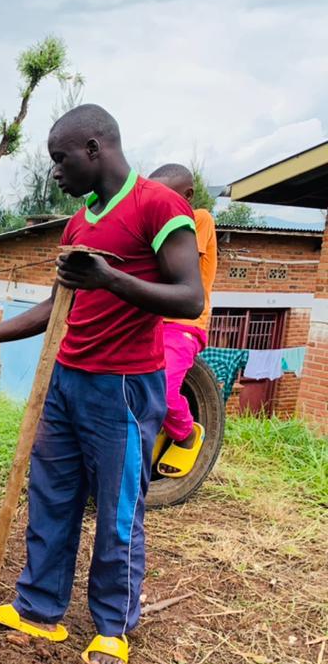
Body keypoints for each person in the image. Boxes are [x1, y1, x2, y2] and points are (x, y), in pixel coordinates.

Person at [0, 104, 203, 664]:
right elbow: (57, 307)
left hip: (124, 386)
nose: (55, 171)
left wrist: (110, 278)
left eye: (60, 158)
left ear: (94, 149)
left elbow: (189, 297)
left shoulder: (158, 205)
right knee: (51, 494)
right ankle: (39, 607)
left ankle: (112, 625)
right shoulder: (79, 225)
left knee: (118, 509)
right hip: (66, 378)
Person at [147, 163, 217, 477]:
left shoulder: (198, 219)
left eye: (164, 196)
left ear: (186, 195)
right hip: (152, 320)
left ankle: (185, 433)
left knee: (162, 387)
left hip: (183, 322)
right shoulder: (154, 228)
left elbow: (174, 263)